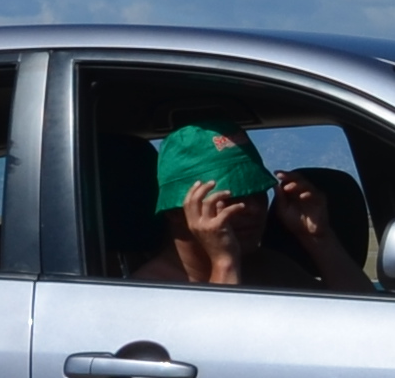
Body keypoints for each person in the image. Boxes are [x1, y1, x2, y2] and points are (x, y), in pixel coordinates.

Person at [131, 123, 371, 291]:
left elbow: (362, 317)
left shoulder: (271, 268)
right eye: (230, 198)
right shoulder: (148, 291)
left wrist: (318, 237)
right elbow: (221, 345)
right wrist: (224, 263)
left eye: (258, 193)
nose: (254, 209)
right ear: (176, 212)